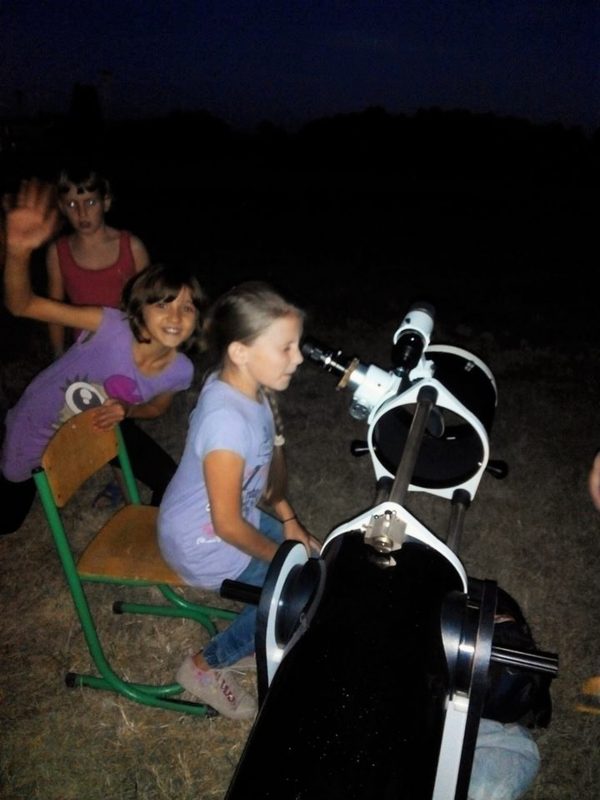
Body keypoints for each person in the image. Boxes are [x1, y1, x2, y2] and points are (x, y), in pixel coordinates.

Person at [0, 179, 205, 535]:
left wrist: (127, 411)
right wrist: (17, 251)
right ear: (140, 308)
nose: (175, 316)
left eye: (187, 307)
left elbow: (155, 408)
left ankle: (161, 544)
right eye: (163, 304)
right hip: (38, 425)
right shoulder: (108, 324)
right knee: (7, 520)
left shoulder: (180, 370)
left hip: (98, 425)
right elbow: (22, 304)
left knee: (168, 480)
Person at [158, 281, 320, 720]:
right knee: (299, 591)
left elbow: (264, 477)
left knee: (315, 560)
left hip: (226, 522)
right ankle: (205, 665)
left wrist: (290, 522)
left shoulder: (248, 391)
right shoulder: (226, 422)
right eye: (286, 347)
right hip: (203, 541)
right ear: (240, 352)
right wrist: (283, 561)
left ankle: (257, 635)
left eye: (297, 345)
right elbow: (228, 525)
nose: (299, 358)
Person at [46, 166, 150, 357]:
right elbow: (54, 311)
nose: (82, 212)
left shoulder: (132, 247)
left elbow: (149, 304)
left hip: (130, 349)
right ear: (61, 207)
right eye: (71, 205)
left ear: (106, 202)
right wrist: (58, 356)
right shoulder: (57, 253)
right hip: (85, 351)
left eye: (91, 202)